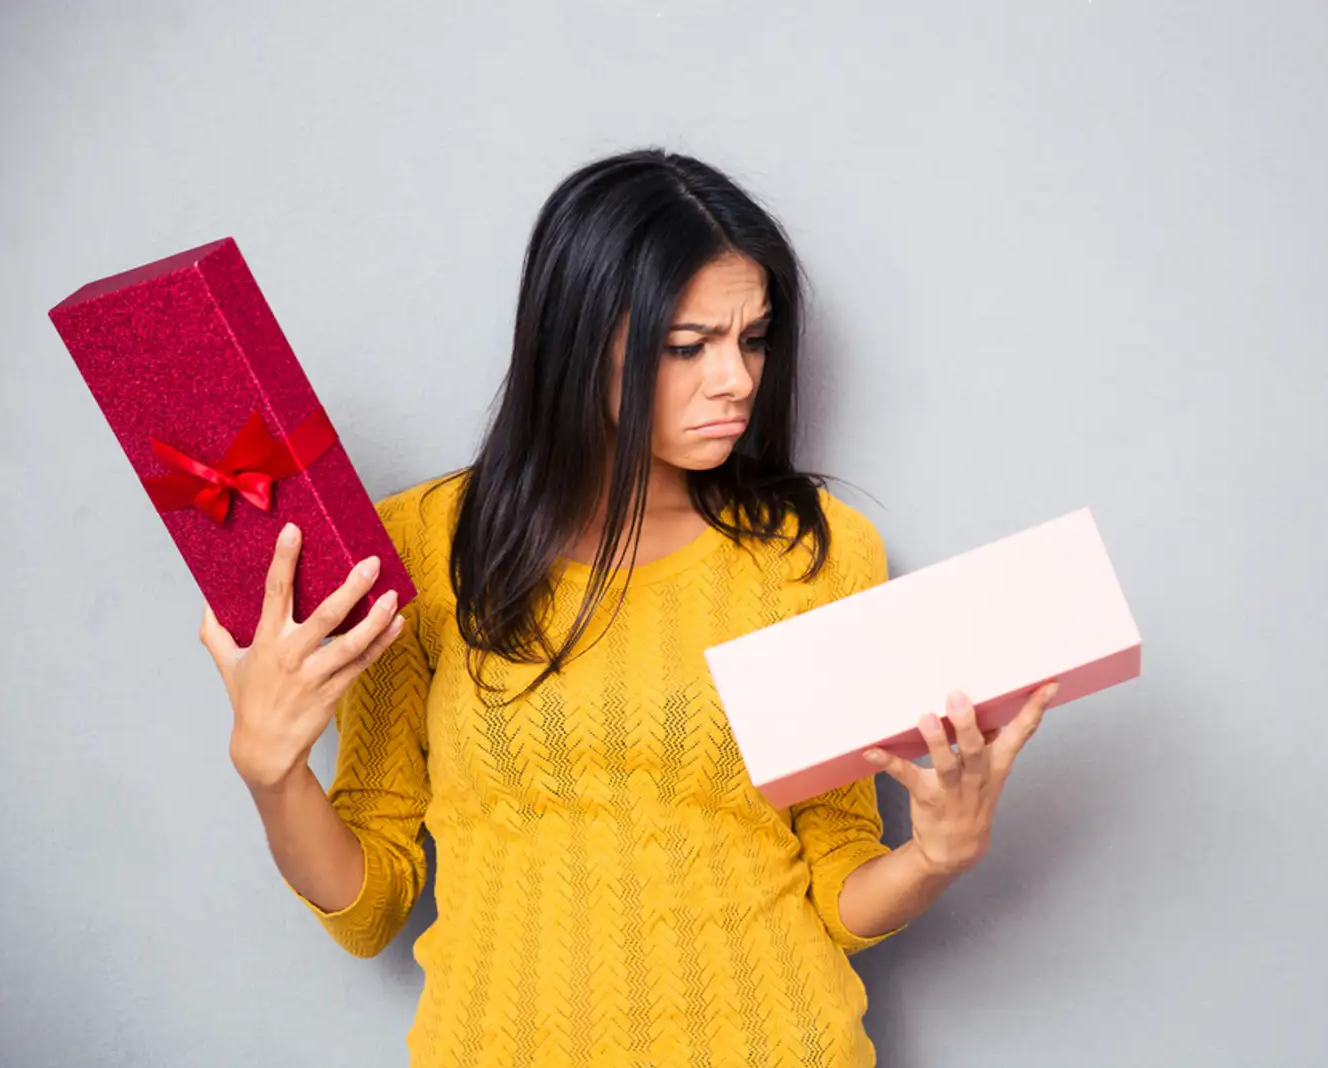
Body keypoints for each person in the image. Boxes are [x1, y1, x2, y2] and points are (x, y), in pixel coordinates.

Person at [199, 148, 1057, 1068]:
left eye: (754, 339)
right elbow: (369, 909)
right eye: (686, 346)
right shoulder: (421, 549)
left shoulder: (816, 554)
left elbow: (837, 885)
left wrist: (935, 855)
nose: (735, 379)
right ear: (577, 343)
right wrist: (271, 772)